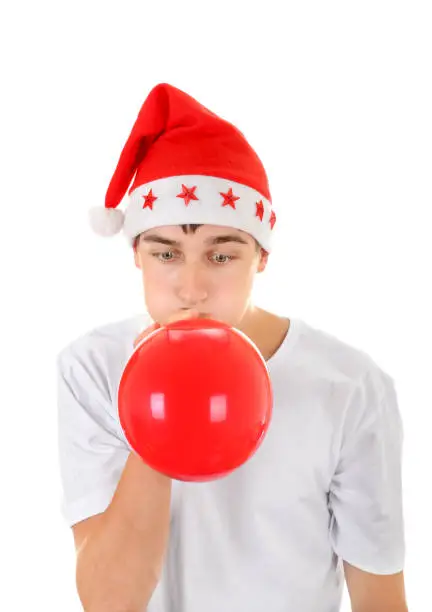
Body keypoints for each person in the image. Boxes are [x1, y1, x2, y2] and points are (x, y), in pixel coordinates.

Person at [56, 83, 408, 611]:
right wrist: (158, 400)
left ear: (261, 257)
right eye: (167, 253)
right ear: (135, 254)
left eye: (221, 257)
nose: (191, 287)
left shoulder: (350, 386)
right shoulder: (91, 369)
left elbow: (380, 597)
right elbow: (109, 602)